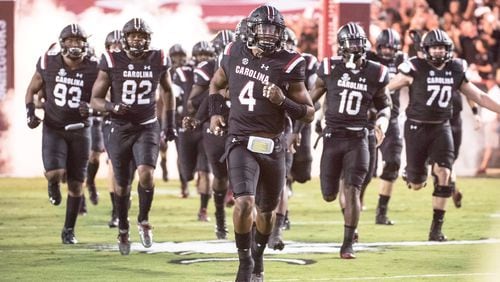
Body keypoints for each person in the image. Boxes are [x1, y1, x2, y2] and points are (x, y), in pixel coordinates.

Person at [208, 5, 314, 281]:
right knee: (244, 202)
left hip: (272, 144)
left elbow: (309, 112)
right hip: (240, 140)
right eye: (264, 29)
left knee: (266, 212)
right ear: (251, 30)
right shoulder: (233, 52)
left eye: (274, 30)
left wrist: (283, 101)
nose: (269, 35)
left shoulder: (290, 61)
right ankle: (244, 263)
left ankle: (258, 258)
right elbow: (216, 84)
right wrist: (217, 111)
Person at [388, 29, 500, 241]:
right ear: (426, 49)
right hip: (416, 127)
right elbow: (388, 87)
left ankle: (436, 230)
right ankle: (411, 174)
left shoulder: (456, 69)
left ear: (449, 49)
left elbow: (480, 96)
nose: (439, 52)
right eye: (435, 47)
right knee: (417, 183)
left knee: (445, 173)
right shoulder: (414, 67)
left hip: (441, 126)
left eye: (442, 47)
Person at [90, 18, 176, 255]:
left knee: (146, 173)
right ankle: (124, 227)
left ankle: (144, 220)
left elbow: (168, 91)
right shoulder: (111, 59)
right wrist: (112, 107)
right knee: (122, 183)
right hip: (119, 127)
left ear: (148, 39)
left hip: (147, 125)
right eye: (133, 35)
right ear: (125, 38)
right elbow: (95, 99)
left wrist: (170, 123)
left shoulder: (158, 58)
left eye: (142, 36)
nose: (137, 39)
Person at [310, 22, 391, 259]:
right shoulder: (328, 68)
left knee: (353, 188)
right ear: (342, 46)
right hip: (333, 137)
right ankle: (349, 229)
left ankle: (347, 243)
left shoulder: (376, 71)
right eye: (351, 43)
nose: (356, 47)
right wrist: (294, 116)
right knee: (329, 194)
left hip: (358, 137)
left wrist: (381, 124)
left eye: (359, 43)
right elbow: (311, 100)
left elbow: (385, 104)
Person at [25, 24, 99, 244]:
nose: (75, 45)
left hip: (81, 129)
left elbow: (105, 95)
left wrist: (94, 109)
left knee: (77, 184)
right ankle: (53, 184)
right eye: (70, 41)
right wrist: (30, 112)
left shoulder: (94, 67)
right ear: (62, 42)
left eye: (79, 41)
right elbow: (31, 89)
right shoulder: (49, 61)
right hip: (54, 127)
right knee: (55, 172)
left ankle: (68, 229)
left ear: (85, 44)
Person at [267, 27, 319, 250]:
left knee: (292, 175)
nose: (286, 45)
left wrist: (296, 129)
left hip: (290, 122)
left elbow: (311, 100)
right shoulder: (266, 60)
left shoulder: (302, 62)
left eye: (289, 41)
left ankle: (277, 226)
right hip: (262, 124)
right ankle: (272, 226)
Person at [183, 30, 235, 238]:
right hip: (216, 127)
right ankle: (220, 218)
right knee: (220, 175)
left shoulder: (246, 64)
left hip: (241, 124)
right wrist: (216, 95)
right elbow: (192, 102)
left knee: (246, 172)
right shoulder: (207, 69)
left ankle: (250, 219)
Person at [366, 28, 406, 225]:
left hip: (391, 119)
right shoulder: (368, 58)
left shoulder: (402, 62)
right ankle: (356, 200)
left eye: (391, 48)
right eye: (384, 47)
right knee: (363, 169)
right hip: (367, 119)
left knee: (393, 163)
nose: (388, 51)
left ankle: (381, 211)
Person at [179, 41, 215, 221]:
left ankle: (203, 209)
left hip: (207, 126)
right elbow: (186, 102)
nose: (204, 59)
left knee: (205, 170)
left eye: (207, 56)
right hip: (187, 126)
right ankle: (186, 184)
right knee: (186, 172)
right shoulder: (183, 73)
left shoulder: (220, 69)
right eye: (201, 55)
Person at [168, 43, 191, 197]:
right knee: (181, 154)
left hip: (192, 116)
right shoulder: (167, 73)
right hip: (177, 119)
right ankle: (184, 185)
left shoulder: (192, 71)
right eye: (176, 57)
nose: (179, 60)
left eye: (181, 56)